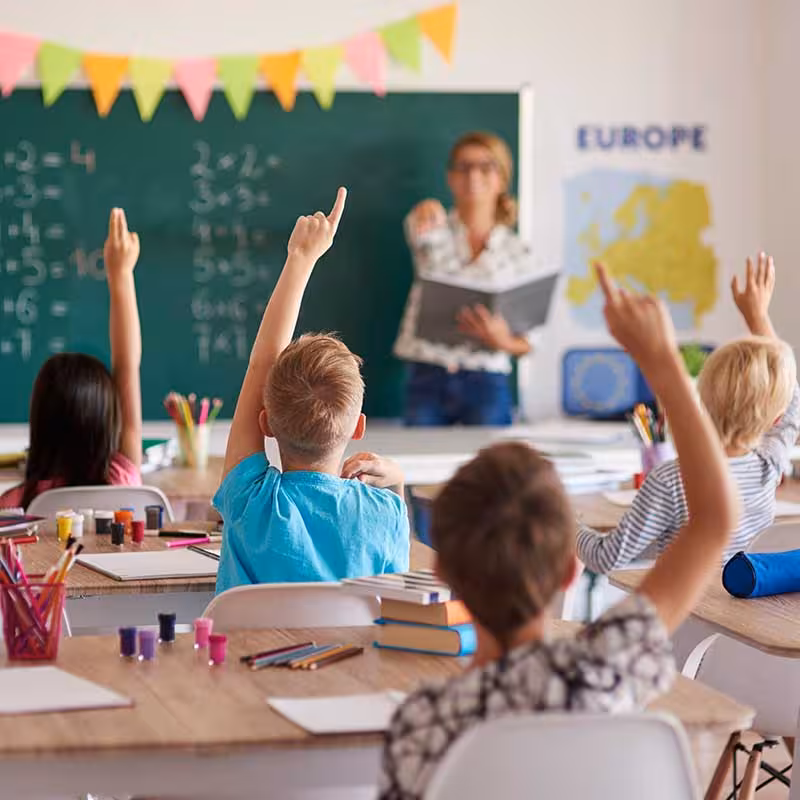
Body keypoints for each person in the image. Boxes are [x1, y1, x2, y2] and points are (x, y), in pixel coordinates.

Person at [377, 263, 739, 799]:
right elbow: (714, 520)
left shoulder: (424, 725)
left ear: (441, 573)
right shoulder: (606, 670)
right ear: (571, 569)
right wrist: (662, 364)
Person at [213, 188, 410, 593]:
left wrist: (299, 260)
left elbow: (261, 363)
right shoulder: (384, 513)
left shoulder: (252, 504)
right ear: (358, 427)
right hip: (352, 658)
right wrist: (397, 483)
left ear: (265, 422)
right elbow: (395, 601)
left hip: (244, 658)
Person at [577, 253, 799, 574]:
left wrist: (568, 525)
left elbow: (605, 558)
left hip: (682, 617)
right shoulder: (769, 468)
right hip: (736, 619)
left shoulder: (671, 480)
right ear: (775, 419)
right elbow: (792, 403)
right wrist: (758, 316)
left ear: (702, 399)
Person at [0, 209, 142, 509]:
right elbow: (127, 365)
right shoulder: (122, 481)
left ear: (39, 421)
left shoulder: (14, 507)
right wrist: (121, 275)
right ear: (108, 422)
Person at [394, 131, 536, 426]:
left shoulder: (518, 251)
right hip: (427, 374)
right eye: (464, 167)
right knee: (420, 466)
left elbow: (528, 343)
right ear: (450, 177)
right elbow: (415, 226)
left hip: (487, 380)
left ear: (502, 179)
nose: (473, 176)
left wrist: (502, 340)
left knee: (493, 470)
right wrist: (425, 209)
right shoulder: (432, 228)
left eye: (486, 167)